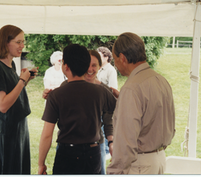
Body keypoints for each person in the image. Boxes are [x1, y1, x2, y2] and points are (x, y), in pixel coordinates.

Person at [38, 44, 116, 175]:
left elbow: (47, 134)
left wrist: (41, 164)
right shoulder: (101, 91)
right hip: (93, 153)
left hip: (67, 154)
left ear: (65, 66)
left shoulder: (56, 95)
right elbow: (120, 108)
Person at [107, 32, 175, 174]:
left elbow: (126, 142)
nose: (115, 64)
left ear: (123, 58)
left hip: (139, 163)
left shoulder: (132, 88)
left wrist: (115, 171)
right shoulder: (161, 80)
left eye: (115, 59)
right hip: (159, 158)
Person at [0, 24, 38, 174]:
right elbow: (2, 105)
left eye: (23, 42)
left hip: (18, 130)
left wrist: (25, 80)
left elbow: (12, 96)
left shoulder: (11, 65)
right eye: (18, 42)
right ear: (5, 42)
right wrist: (21, 81)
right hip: (5, 134)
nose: (22, 46)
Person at [97, 46, 118, 159]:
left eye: (100, 56)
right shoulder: (98, 69)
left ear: (106, 57)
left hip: (105, 107)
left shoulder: (111, 70)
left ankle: (106, 153)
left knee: (106, 130)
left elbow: (112, 89)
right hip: (97, 106)